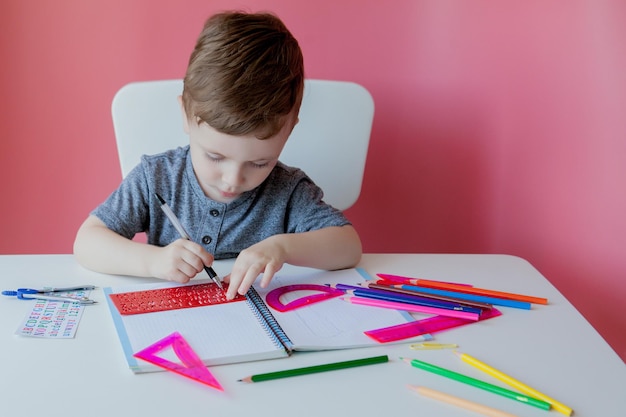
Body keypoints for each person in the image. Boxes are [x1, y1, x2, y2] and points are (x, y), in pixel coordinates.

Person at [73, 11, 362, 300]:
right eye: (214, 156)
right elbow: (87, 242)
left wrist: (281, 248)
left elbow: (348, 247)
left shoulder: (287, 191)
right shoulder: (157, 178)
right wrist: (154, 261)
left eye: (260, 162)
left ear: (289, 132)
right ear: (185, 117)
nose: (233, 179)